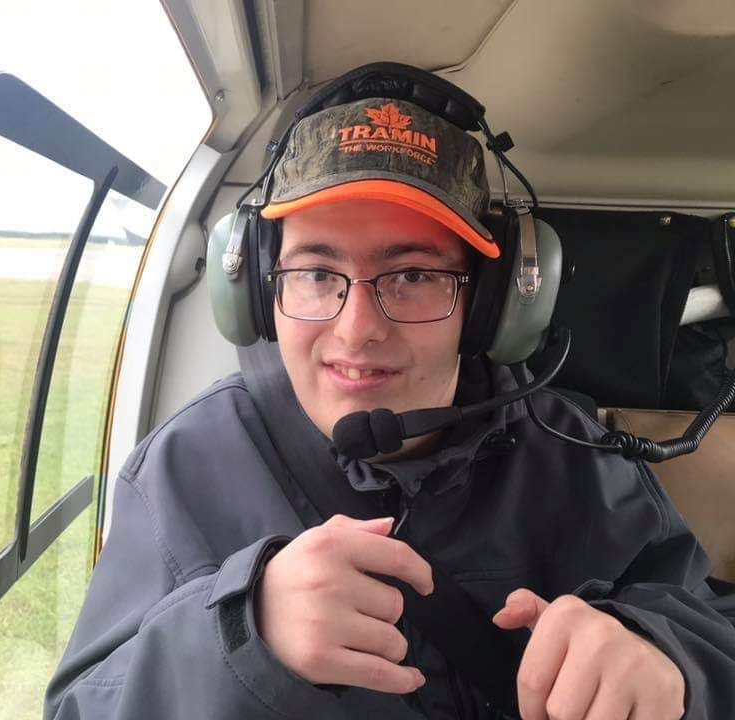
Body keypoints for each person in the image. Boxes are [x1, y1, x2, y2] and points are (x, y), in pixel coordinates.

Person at [45, 64, 735, 719]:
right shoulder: (183, 468)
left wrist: (664, 659)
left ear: (491, 305)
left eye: (412, 277)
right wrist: (241, 637)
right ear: (258, 292)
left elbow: (708, 625)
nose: (357, 330)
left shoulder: (574, 452)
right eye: (316, 273)